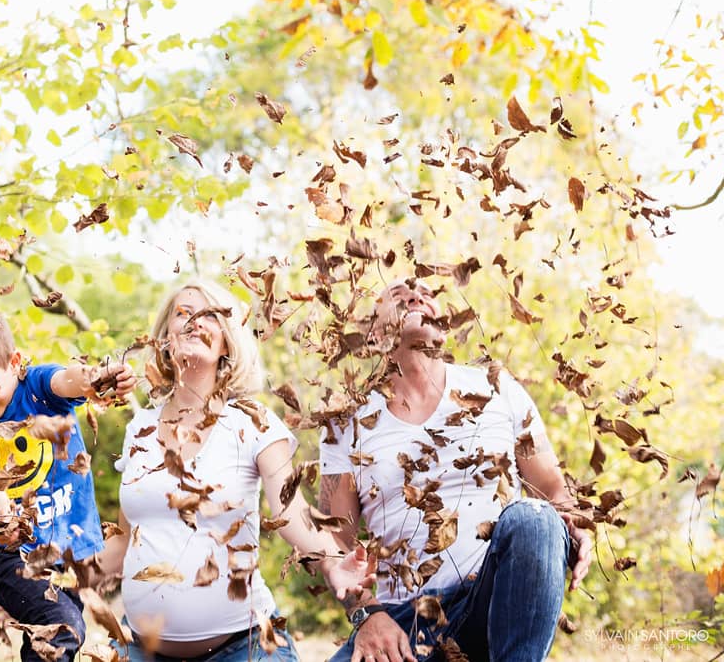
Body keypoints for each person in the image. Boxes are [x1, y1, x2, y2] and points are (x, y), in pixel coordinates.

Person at [98, 279, 374, 661]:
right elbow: (122, 543)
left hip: (245, 648)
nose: (195, 321)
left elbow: (292, 513)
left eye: (209, 314)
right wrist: (42, 579)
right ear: (165, 339)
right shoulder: (138, 430)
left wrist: (333, 563)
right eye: (183, 314)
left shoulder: (252, 423)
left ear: (227, 341)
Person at [319, 278, 593, 662]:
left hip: (493, 599)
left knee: (536, 517)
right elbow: (334, 545)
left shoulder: (497, 388)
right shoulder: (346, 422)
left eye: (427, 295)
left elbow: (552, 491)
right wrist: (366, 614)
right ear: (374, 329)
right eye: (399, 295)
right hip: (405, 625)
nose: (417, 297)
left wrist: (573, 522)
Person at [0, 302, 136, 662]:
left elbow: (68, 380)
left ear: (14, 363)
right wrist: (6, 510)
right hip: (10, 551)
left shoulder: (39, 388)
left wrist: (100, 377)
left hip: (69, 549)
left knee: (56, 633)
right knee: (62, 628)